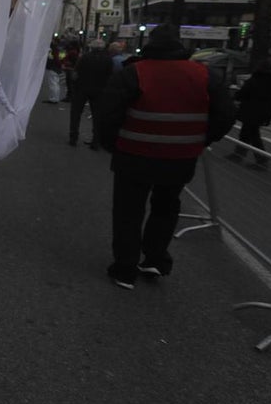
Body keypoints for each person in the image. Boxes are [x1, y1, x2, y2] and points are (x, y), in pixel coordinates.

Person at [97, 23, 236, 290]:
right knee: (166, 207)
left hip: (133, 154)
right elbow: (226, 114)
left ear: (150, 44)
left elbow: (109, 114)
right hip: (180, 156)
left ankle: (125, 268)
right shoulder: (205, 75)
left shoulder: (134, 73)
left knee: (128, 211)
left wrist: (112, 144)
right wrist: (202, 139)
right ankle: (155, 258)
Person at [230, 62, 271, 167]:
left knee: (252, 135)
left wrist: (235, 97)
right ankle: (240, 154)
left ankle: (260, 159)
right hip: (265, 112)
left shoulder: (255, 80)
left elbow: (242, 94)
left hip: (251, 110)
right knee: (248, 133)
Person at [70, 39, 114, 149]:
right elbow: (110, 76)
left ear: (92, 47)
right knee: (97, 116)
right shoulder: (108, 60)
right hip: (100, 90)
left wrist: (74, 85)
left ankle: (73, 137)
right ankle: (96, 140)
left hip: (82, 88)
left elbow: (75, 74)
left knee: (76, 113)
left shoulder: (84, 57)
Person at [43, 37, 64, 103]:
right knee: (55, 83)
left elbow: (55, 58)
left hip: (53, 67)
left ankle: (53, 98)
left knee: (53, 83)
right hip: (56, 67)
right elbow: (60, 58)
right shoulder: (60, 49)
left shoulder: (54, 49)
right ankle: (55, 97)